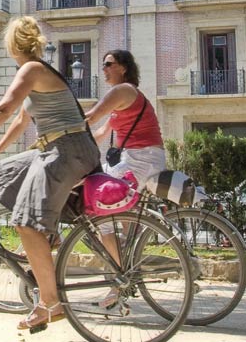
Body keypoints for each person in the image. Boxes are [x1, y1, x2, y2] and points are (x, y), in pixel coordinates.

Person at [0, 16, 101, 331]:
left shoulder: (32, 69)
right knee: (5, 171)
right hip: (57, 148)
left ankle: (50, 303)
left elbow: (5, 107)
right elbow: (21, 118)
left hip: (67, 149)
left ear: (11, 45)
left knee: (24, 222)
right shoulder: (37, 73)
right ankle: (49, 231)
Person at [85, 49, 166, 307]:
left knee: (99, 205)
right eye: (104, 64)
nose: (104, 69)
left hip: (140, 159)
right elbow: (99, 132)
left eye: (108, 64)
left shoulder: (122, 91)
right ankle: (129, 256)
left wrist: (60, 131)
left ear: (123, 67)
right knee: (111, 209)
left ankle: (120, 279)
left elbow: (90, 117)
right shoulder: (122, 100)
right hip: (139, 158)